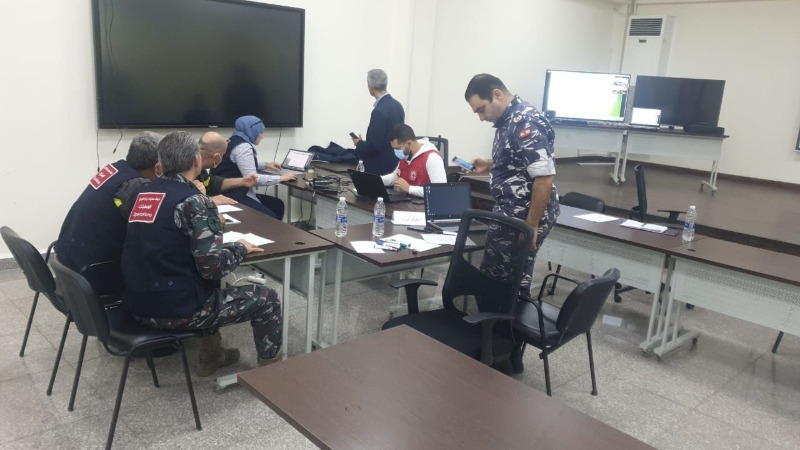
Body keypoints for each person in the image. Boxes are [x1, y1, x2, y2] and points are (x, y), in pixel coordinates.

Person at [121, 131, 283, 377]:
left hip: (137, 301)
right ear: (196, 160)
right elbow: (213, 267)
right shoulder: (194, 202)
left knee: (205, 283)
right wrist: (240, 247)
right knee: (267, 298)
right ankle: (271, 374)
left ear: (160, 163)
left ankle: (212, 356)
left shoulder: (144, 193)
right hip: (175, 309)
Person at [464, 74, 560, 299]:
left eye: (481, 110)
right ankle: (505, 317)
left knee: (504, 279)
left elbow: (545, 177)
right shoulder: (507, 120)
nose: (481, 117)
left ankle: (507, 319)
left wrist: (531, 226)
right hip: (511, 211)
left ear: (497, 94)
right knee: (506, 275)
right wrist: (490, 164)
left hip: (522, 215)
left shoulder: (525, 123)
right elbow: (520, 160)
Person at [56, 131, 162, 295]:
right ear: (158, 166)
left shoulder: (115, 169)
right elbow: (152, 231)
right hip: (91, 272)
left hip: (68, 259)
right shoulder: (135, 186)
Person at [211, 115, 295, 219]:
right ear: (252, 131)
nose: (262, 136)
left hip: (223, 190)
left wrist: (266, 165)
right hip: (232, 194)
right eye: (261, 133)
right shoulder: (243, 147)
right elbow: (253, 179)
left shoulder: (233, 140)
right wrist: (282, 178)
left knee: (277, 205)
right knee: (271, 218)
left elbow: (238, 165)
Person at [350, 69, 405, 175]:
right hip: (394, 166)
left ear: (370, 85)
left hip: (378, 169)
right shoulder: (398, 106)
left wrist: (359, 143)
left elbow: (374, 146)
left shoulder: (379, 111)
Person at [381, 124, 447, 197]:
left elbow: (440, 191)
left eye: (398, 148)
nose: (396, 152)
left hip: (423, 203)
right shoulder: (406, 155)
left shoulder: (432, 158)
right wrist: (379, 180)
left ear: (409, 144)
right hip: (405, 200)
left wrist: (409, 188)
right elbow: (397, 176)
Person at [195, 131, 257, 205]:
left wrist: (242, 181)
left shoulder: (201, 170)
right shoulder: (187, 168)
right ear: (216, 156)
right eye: (223, 154)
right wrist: (210, 199)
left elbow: (212, 183)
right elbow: (185, 197)